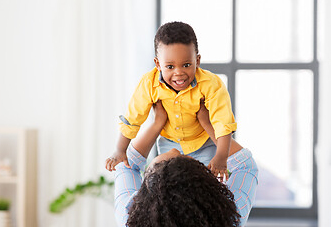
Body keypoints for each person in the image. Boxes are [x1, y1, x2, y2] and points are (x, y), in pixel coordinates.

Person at [106, 21, 237, 179]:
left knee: (203, 186)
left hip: (203, 144)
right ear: (158, 64)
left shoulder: (211, 84)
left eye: (187, 65)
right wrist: (120, 150)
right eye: (170, 67)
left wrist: (221, 157)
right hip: (169, 144)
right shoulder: (149, 83)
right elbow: (133, 118)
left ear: (198, 60)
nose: (179, 73)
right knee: (171, 186)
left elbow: (223, 124)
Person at [113, 101, 258, 227]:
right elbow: (245, 165)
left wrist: (157, 123)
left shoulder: (130, 218)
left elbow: (125, 163)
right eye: (183, 155)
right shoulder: (228, 217)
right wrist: (207, 125)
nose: (177, 148)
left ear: (146, 194)